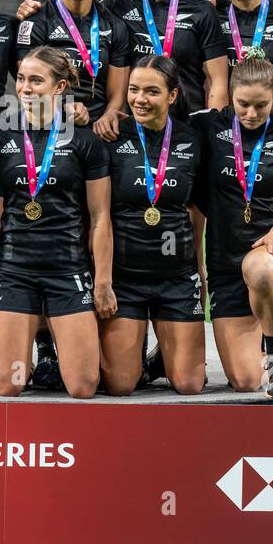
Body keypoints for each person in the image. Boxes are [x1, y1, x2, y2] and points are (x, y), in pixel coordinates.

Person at [0, 47, 113, 398]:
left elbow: (99, 218)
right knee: (11, 384)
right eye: (21, 79)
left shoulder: (85, 142)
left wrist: (102, 282)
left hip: (67, 269)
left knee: (82, 386)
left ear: (59, 87)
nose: (24, 87)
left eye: (36, 80)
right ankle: (33, 354)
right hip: (14, 269)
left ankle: (55, 353)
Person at [194, 51, 273, 399]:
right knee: (246, 381)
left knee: (261, 269)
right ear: (230, 96)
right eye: (243, 104)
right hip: (225, 266)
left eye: (261, 106)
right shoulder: (209, 127)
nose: (251, 114)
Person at [103, 56, 206, 394]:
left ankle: (166, 352)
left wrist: (199, 267)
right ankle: (139, 360)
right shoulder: (111, 135)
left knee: (189, 385)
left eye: (151, 91)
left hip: (176, 276)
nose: (140, 99)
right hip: (125, 277)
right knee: (119, 385)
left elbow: (198, 207)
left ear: (172, 96)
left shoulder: (194, 140)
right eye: (133, 90)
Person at [15, 0, 131, 141]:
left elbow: (117, 96)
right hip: (48, 129)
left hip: (98, 133)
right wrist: (64, 108)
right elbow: (28, 88)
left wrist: (110, 114)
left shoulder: (115, 26)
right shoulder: (36, 22)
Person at [107, 0, 229, 116]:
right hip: (135, 128)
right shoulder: (120, 7)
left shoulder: (201, 10)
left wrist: (215, 131)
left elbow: (218, 82)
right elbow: (79, 17)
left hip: (187, 128)